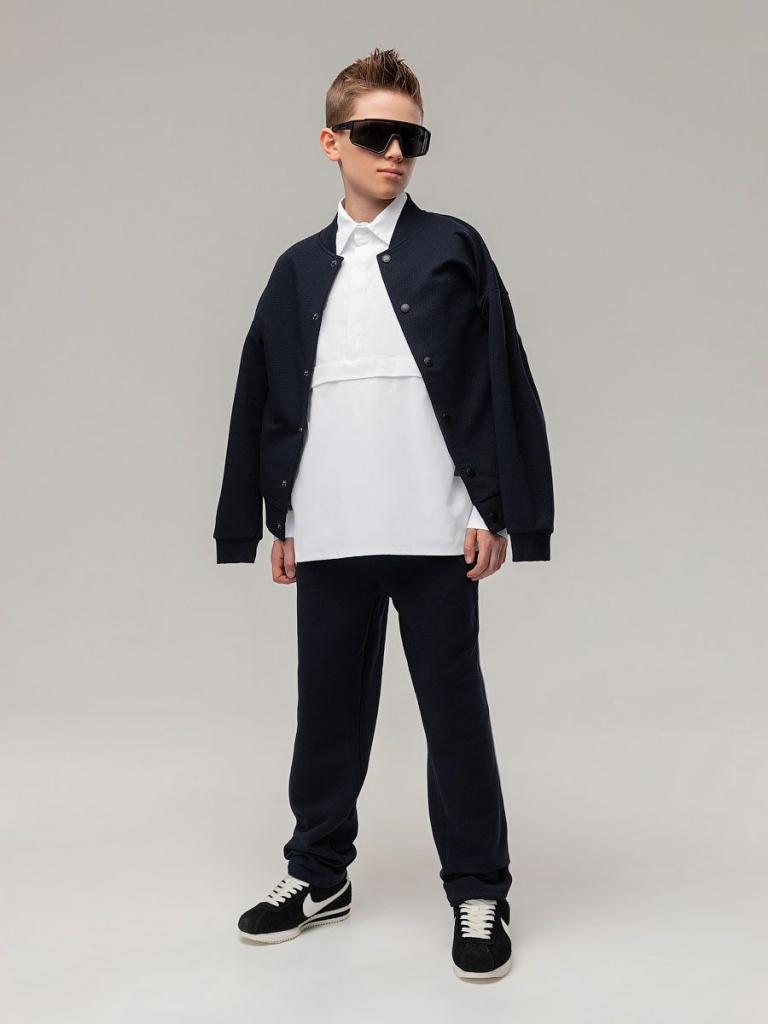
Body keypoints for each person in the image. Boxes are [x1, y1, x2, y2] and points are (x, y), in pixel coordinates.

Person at [213, 47, 554, 980]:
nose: (395, 153)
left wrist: (493, 508)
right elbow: (267, 398)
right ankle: (317, 875)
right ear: (332, 142)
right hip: (329, 527)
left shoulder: (454, 248)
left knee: (455, 714)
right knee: (326, 711)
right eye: (375, 135)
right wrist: (276, 520)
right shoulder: (295, 270)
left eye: (412, 138)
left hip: (435, 528)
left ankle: (479, 889)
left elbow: (495, 382)